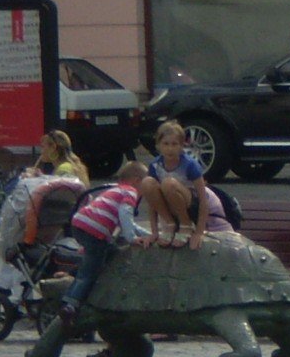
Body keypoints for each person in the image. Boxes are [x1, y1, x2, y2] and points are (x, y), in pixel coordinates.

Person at [58, 161, 148, 327]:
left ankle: (73, 277)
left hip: (80, 223)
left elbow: (126, 223)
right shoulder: (130, 192)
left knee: (108, 253)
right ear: (137, 180)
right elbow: (125, 216)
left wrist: (150, 235)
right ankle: (70, 304)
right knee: (90, 271)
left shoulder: (115, 190)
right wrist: (132, 238)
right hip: (94, 231)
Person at [138, 121, 206, 249]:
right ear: (158, 145)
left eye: (175, 144)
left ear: (181, 146)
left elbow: (203, 199)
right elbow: (151, 201)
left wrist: (199, 232)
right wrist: (154, 232)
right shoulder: (155, 166)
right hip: (170, 208)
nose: (170, 148)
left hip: (190, 207)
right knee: (147, 182)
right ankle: (170, 224)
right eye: (166, 144)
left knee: (168, 183)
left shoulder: (190, 165)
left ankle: (186, 225)